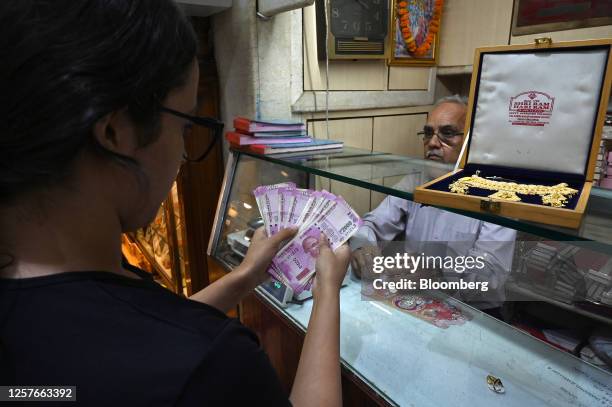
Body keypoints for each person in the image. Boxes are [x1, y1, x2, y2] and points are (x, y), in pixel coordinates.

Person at [0, 1, 349, 406]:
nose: (183, 154)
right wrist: (328, 290)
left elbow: (130, 343)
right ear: (115, 131)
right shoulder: (213, 363)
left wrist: (246, 275)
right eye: (185, 125)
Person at [350, 96, 516, 310]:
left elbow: (490, 276)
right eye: (428, 133)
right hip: (418, 299)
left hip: (475, 312)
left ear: (473, 141)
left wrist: (439, 275)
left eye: (447, 133)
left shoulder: (498, 194)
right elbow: (373, 223)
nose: (433, 143)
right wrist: (363, 246)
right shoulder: (416, 180)